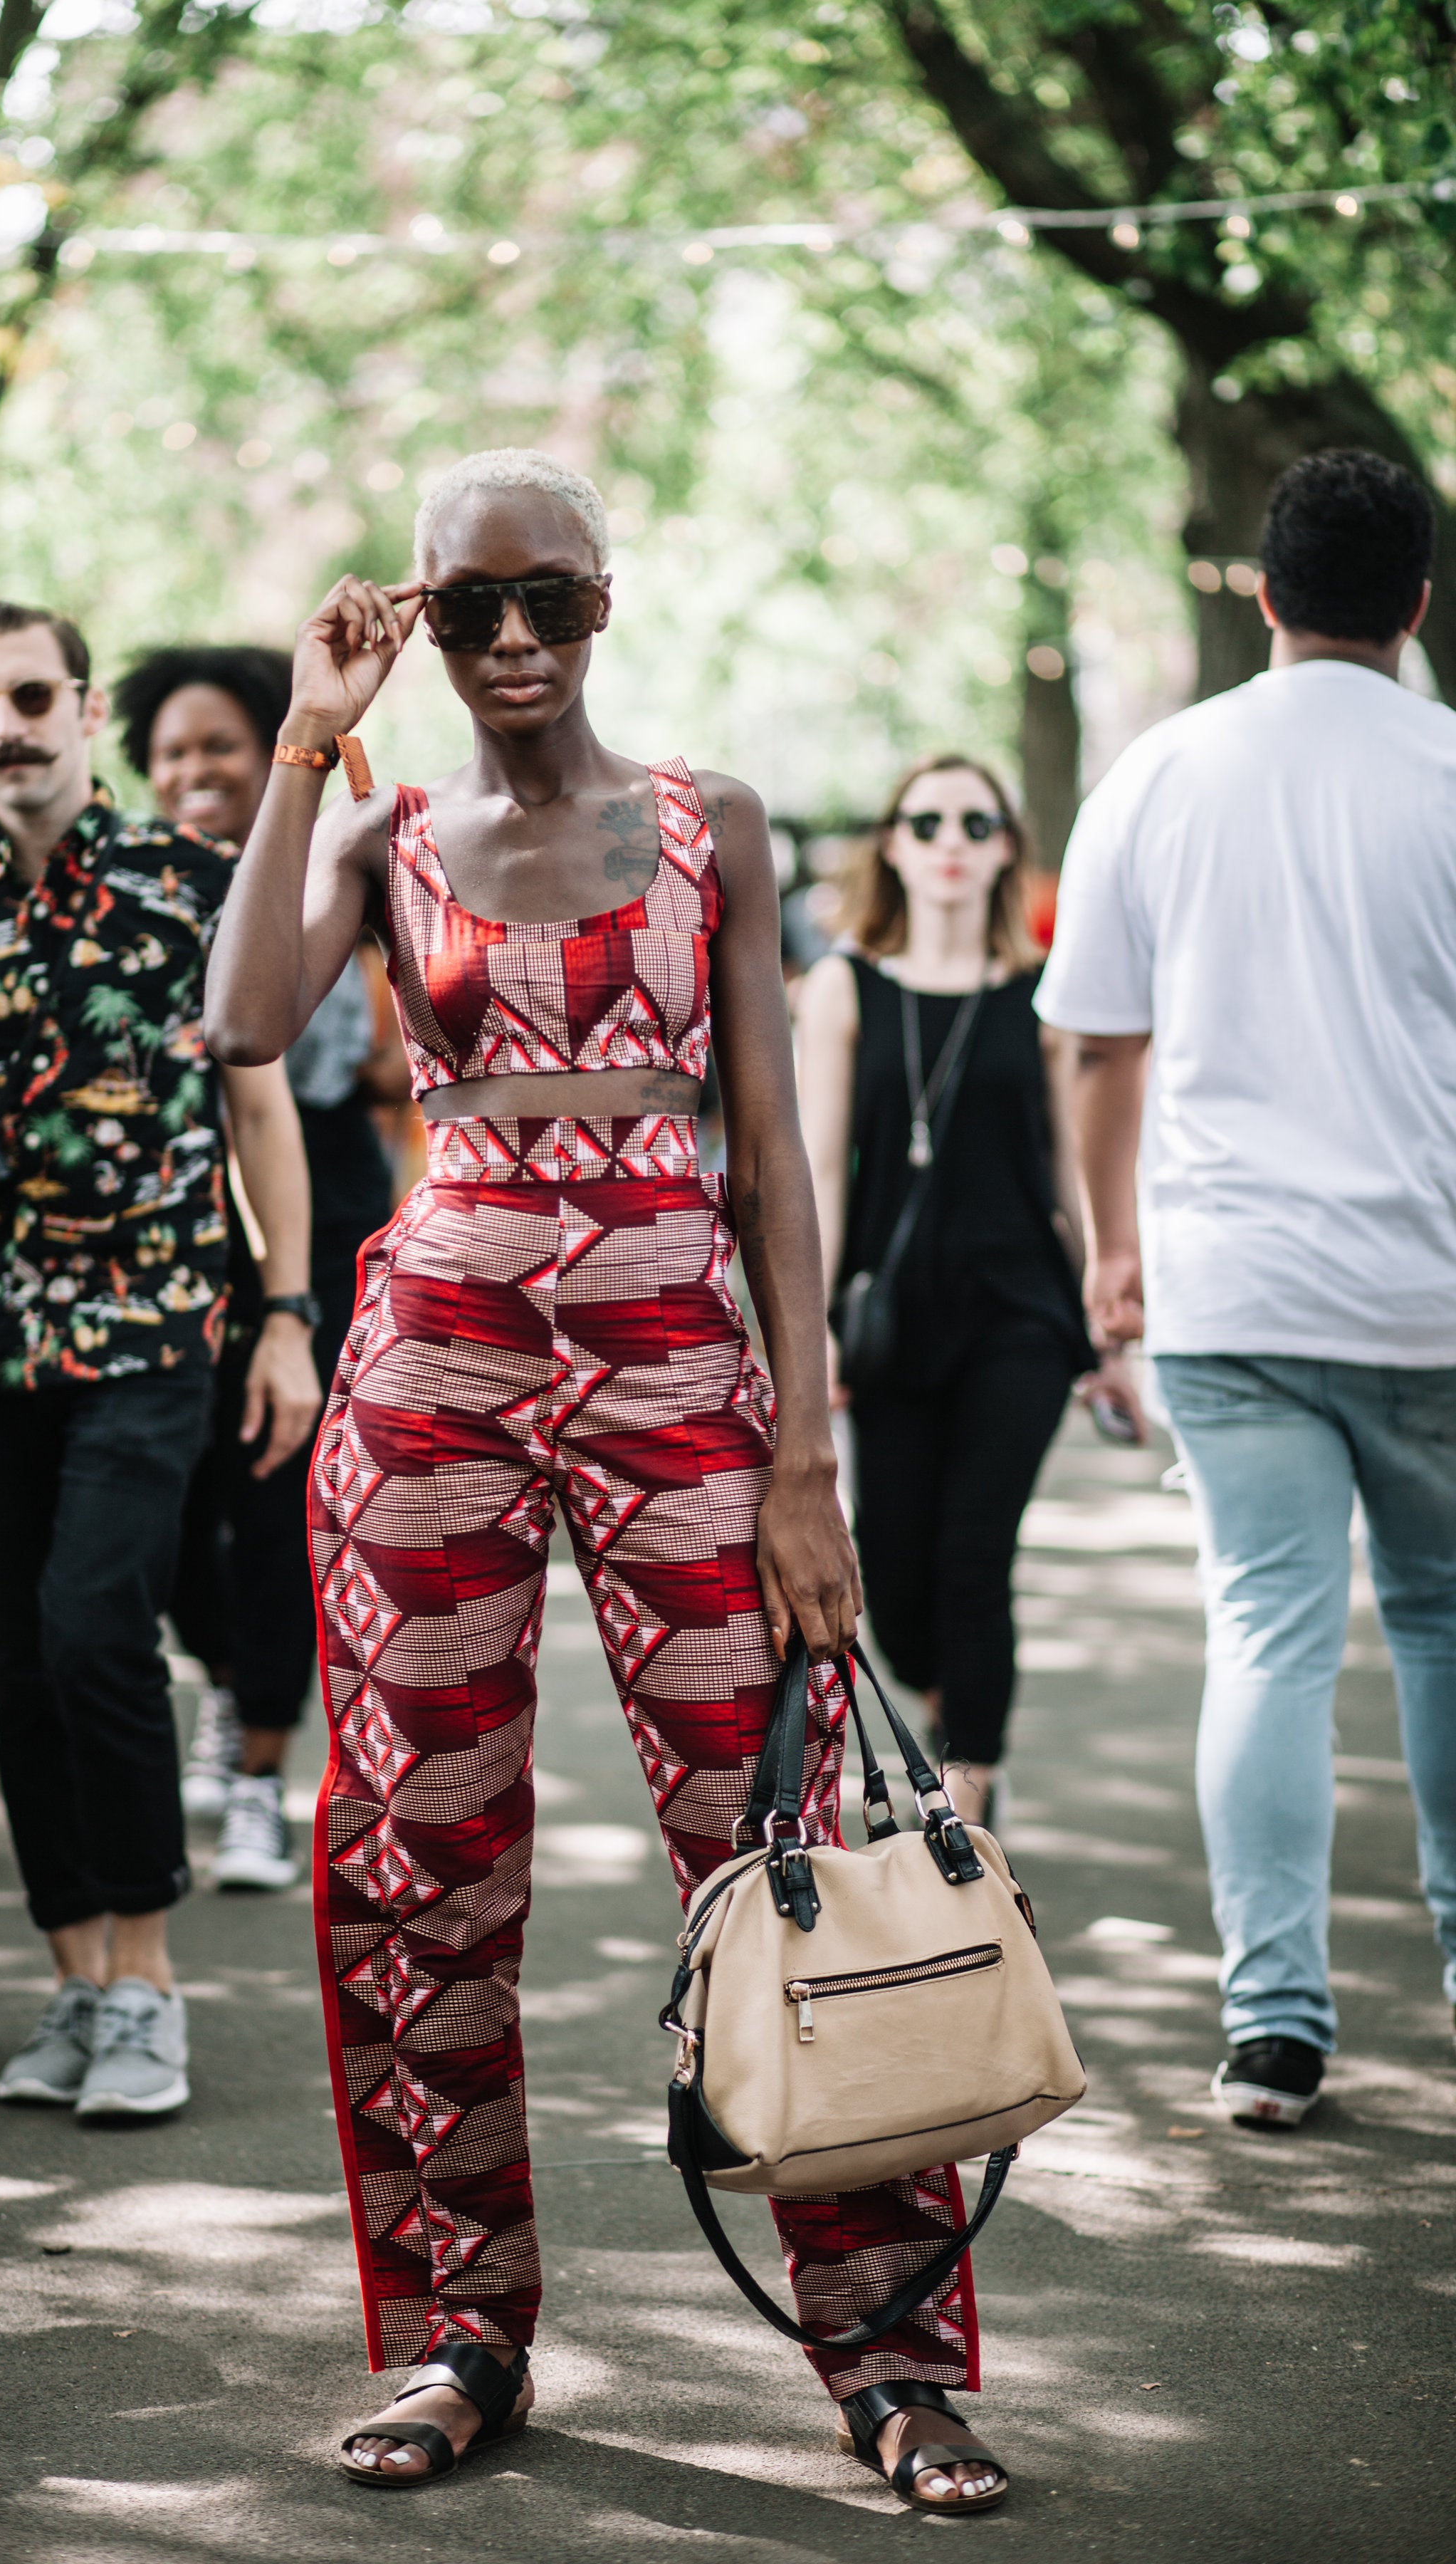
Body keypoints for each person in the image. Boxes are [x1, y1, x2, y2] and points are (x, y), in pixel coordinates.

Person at [205, 448, 1010, 2509]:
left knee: (781, 1853)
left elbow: (772, 1156)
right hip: (434, 1369)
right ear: (416, 616)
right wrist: (310, 733)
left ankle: (892, 2356)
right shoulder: (383, 825)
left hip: (681, 1363)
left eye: (546, 599)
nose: (507, 643)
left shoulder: (707, 823)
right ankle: (465, 2329)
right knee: (413, 1855)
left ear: (606, 600)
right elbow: (241, 1015)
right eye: (464, 608)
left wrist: (807, 1447)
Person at [0, 597, 321, 2120]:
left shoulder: (194, 887)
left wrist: (289, 1316)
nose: (4, 729)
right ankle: (74, 1976)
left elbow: (262, 1114)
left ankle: (148, 1985)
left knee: (101, 1627)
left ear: (86, 709)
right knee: (24, 1669)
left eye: (30, 696)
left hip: (152, 1325)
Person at [1037, 448, 1456, 2127]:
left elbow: (1095, 1045)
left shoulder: (1163, 772)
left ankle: (1273, 2024)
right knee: (1441, 1631)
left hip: (1229, 1289)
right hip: (1434, 1287)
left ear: (1262, 592)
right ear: (1417, 601)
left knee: (1268, 1639)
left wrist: (1114, 1250)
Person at [798, 756, 1142, 1828]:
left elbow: (1072, 1172)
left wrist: (1109, 1325)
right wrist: (810, 1339)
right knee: (894, 1580)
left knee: (973, 1552)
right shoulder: (844, 988)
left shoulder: (1040, 994)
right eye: (927, 819)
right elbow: (813, 1167)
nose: (952, 838)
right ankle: (958, 1713)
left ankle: (969, 1790)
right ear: (893, 844)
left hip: (1020, 1317)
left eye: (977, 821)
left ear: (1005, 849)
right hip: (893, 1320)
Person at [115, 645, 404, 1887]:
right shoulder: (130, 891)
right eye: (170, 752)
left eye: (217, 745)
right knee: (172, 1498)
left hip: (321, 1193)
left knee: (283, 1496)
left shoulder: (331, 855)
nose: (193, 771)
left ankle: (256, 1774)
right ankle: (227, 1685)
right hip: (169, 1213)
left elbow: (375, 1060)